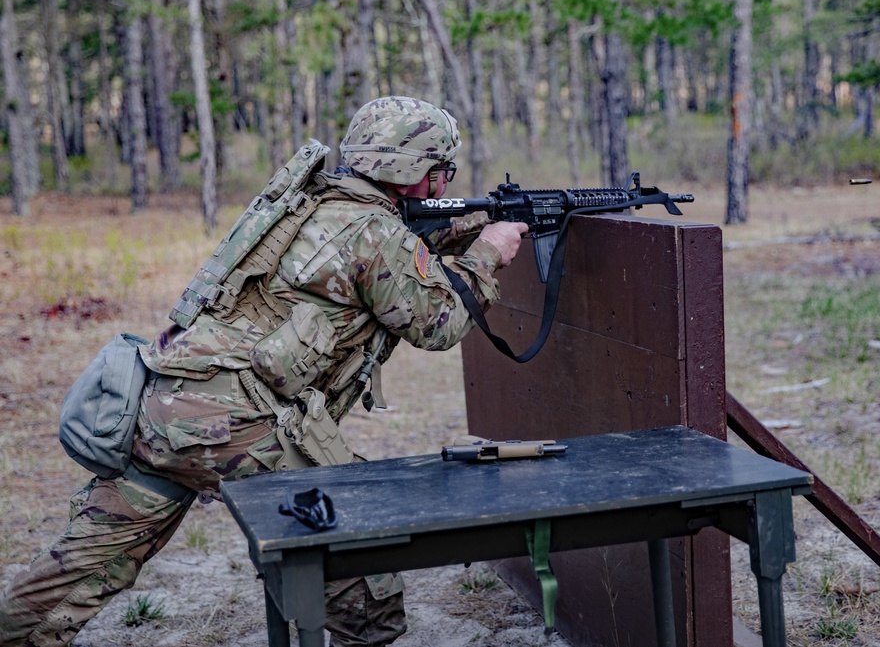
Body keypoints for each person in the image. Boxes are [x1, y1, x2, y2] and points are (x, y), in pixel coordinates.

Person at [0, 96, 529, 647]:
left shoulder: (315, 203)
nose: (444, 183)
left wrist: (462, 230)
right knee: (364, 585)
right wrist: (487, 252)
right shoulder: (375, 233)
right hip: (236, 424)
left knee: (78, 571)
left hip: (168, 404)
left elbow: (366, 262)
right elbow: (437, 323)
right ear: (410, 168)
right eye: (439, 169)